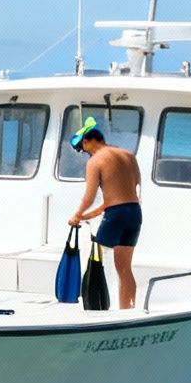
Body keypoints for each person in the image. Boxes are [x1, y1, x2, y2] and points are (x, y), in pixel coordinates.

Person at [66, 116, 142, 308]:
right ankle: (128, 308)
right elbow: (129, 193)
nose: (85, 154)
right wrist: (87, 216)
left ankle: (96, 305)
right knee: (124, 268)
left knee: (95, 258)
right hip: (134, 212)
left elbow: (90, 196)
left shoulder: (95, 162)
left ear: (87, 141)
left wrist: (77, 215)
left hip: (116, 215)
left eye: (83, 150)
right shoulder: (128, 155)